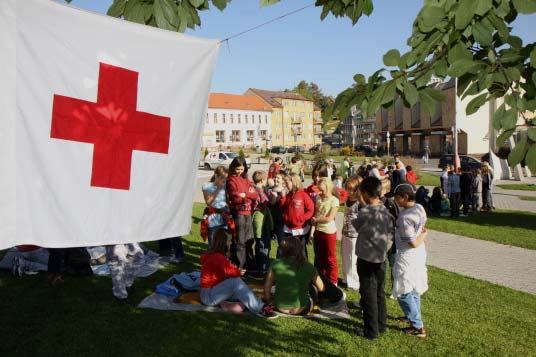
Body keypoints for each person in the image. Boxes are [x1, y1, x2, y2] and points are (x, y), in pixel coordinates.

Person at [352, 177, 395, 340]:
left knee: (367, 294)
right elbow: (391, 232)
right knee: (379, 293)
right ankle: (381, 325)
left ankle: (371, 330)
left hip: (366, 259)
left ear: (364, 193)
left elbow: (356, 225)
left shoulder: (365, 212)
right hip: (381, 258)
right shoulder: (385, 210)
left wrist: (360, 202)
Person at [200, 229, 276, 318]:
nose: (231, 243)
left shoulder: (214, 255)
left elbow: (227, 271)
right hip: (209, 296)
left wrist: (237, 270)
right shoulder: (217, 257)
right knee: (235, 282)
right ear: (223, 242)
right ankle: (259, 308)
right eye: (229, 241)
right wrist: (239, 271)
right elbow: (233, 272)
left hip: (211, 292)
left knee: (241, 292)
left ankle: (230, 304)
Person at [263, 237, 344, 316]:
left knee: (303, 280)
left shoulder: (275, 263)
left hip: (280, 307)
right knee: (316, 281)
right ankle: (338, 294)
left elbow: (267, 287)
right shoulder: (308, 266)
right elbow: (321, 288)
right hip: (302, 309)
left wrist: (270, 302)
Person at [392, 184, 429, 338]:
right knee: (413, 286)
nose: (394, 200)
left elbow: (412, 242)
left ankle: (417, 325)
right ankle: (412, 317)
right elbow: (422, 228)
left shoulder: (405, 217)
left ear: (405, 197)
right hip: (419, 253)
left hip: (408, 254)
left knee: (403, 289)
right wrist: (423, 234)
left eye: (396, 197)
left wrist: (423, 236)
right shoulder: (419, 207)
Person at [226, 157, 259, 272]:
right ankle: (241, 267)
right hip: (239, 213)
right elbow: (235, 198)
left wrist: (245, 194)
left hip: (248, 213)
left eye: (241, 168)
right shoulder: (231, 180)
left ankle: (250, 264)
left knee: (249, 240)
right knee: (240, 241)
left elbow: (255, 195)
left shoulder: (246, 180)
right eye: (237, 169)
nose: (239, 171)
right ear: (233, 168)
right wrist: (245, 196)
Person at [310, 178, 340, 285]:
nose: (320, 192)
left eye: (322, 190)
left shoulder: (334, 201)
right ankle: (321, 277)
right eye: (319, 189)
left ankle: (333, 280)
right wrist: (312, 232)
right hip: (318, 231)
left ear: (329, 188)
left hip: (329, 232)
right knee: (319, 256)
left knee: (330, 257)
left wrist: (316, 220)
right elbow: (316, 215)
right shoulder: (318, 198)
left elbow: (329, 218)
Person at [280, 173, 315, 260]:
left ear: (294, 182)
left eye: (287, 182)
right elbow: (282, 207)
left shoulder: (303, 195)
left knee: (301, 251)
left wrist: (303, 218)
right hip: (288, 228)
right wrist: (282, 197)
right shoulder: (288, 195)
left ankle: (304, 268)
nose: (285, 184)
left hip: (300, 229)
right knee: (289, 250)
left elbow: (311, 209)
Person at [251, 170, 274, 276]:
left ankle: (258, 266)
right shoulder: (259, 190)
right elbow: (265, 202)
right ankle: (263, 269)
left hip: (255, 218)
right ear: (262, 180)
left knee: (258, 243)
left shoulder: (252, 187)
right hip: (261, 219)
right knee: (263, 243)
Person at [341, 176, 362, 290]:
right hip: (345, 232)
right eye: (347, 189)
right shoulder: (347, 200)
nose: (348, 192)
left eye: (351, 189)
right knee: (345, 257)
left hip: (355, 235)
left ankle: (354, 282)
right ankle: (346, 278)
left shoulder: (359, 203)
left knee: (353, 258)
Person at [202, 166, 229, 247]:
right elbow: (208, 202)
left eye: (226, 177)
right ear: (216, 175)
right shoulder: (207, 186)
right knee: (213, 243)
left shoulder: (226, 186)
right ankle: (212, 258)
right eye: (222, 177)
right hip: (214, 219)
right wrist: (218, 188)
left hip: (225, 217)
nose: (224, 179)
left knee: (225, 243)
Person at [267, 172, 287, 254]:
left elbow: (275, 202)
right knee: (267, 240)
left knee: (281, 242)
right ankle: (265, 260)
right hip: (270, 218)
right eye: (275, 177)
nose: (275, 179)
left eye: (278, 178)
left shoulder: (284, 190)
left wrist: (278, 196)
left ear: (283, 180)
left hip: (280, 220)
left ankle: (280, 260)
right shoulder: (270, 189)